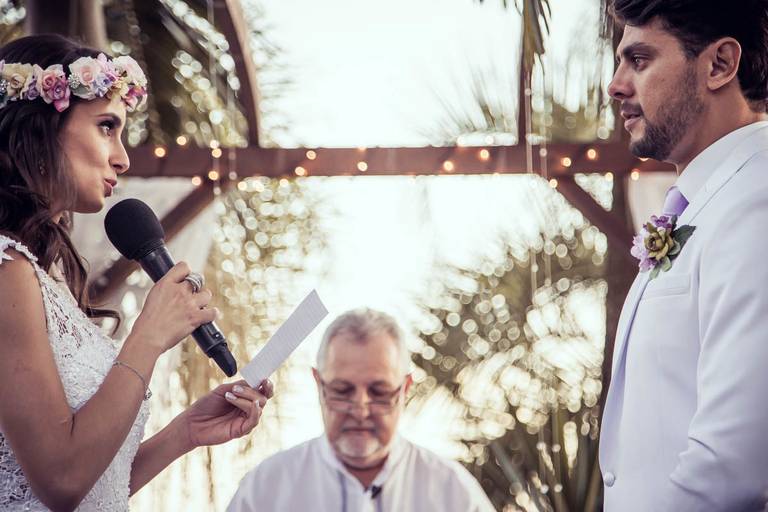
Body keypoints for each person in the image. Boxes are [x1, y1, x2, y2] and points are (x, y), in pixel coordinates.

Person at [0, 34, 273, 511]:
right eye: (107, 126)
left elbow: (92, 488)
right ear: (42, 126)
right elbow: (61, 481)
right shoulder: (5, 271)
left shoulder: (48, 278)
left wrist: (185, 432)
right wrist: (149, 335)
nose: (122, 158)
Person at [599, 1, 768, 510]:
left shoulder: (757, 199)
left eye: (640, 60)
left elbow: (733, 464)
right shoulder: (709, 200)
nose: (616, 85)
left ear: (719, 64)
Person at [227, 308, 495, 512]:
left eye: (379, 392)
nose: (360, 411)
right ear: (319, 385)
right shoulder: (265, 490)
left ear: (405, 389)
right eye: (342, 391)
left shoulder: (454, 493)